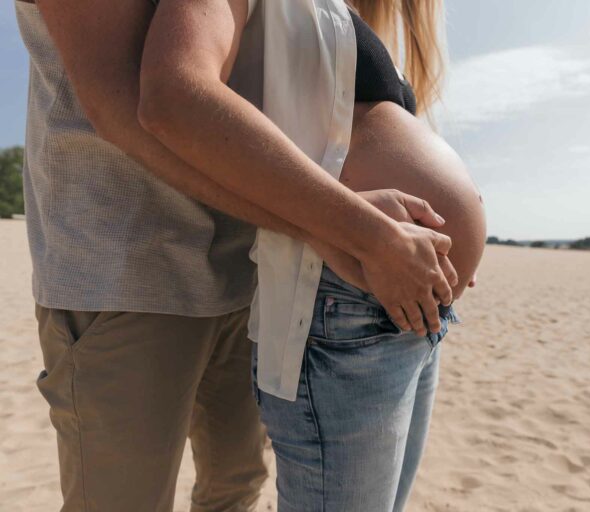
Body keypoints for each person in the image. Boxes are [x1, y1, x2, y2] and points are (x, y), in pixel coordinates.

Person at [16, 0, 458, 510]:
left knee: (236, 485)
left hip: (243, 266)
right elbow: (124, 102)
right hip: (126, 270)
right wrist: (343, 227)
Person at [143, 0, 486, 510]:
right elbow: (174, 94)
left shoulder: (342, 17)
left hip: (410, 303)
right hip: (346, 294)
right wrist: (368, 233)